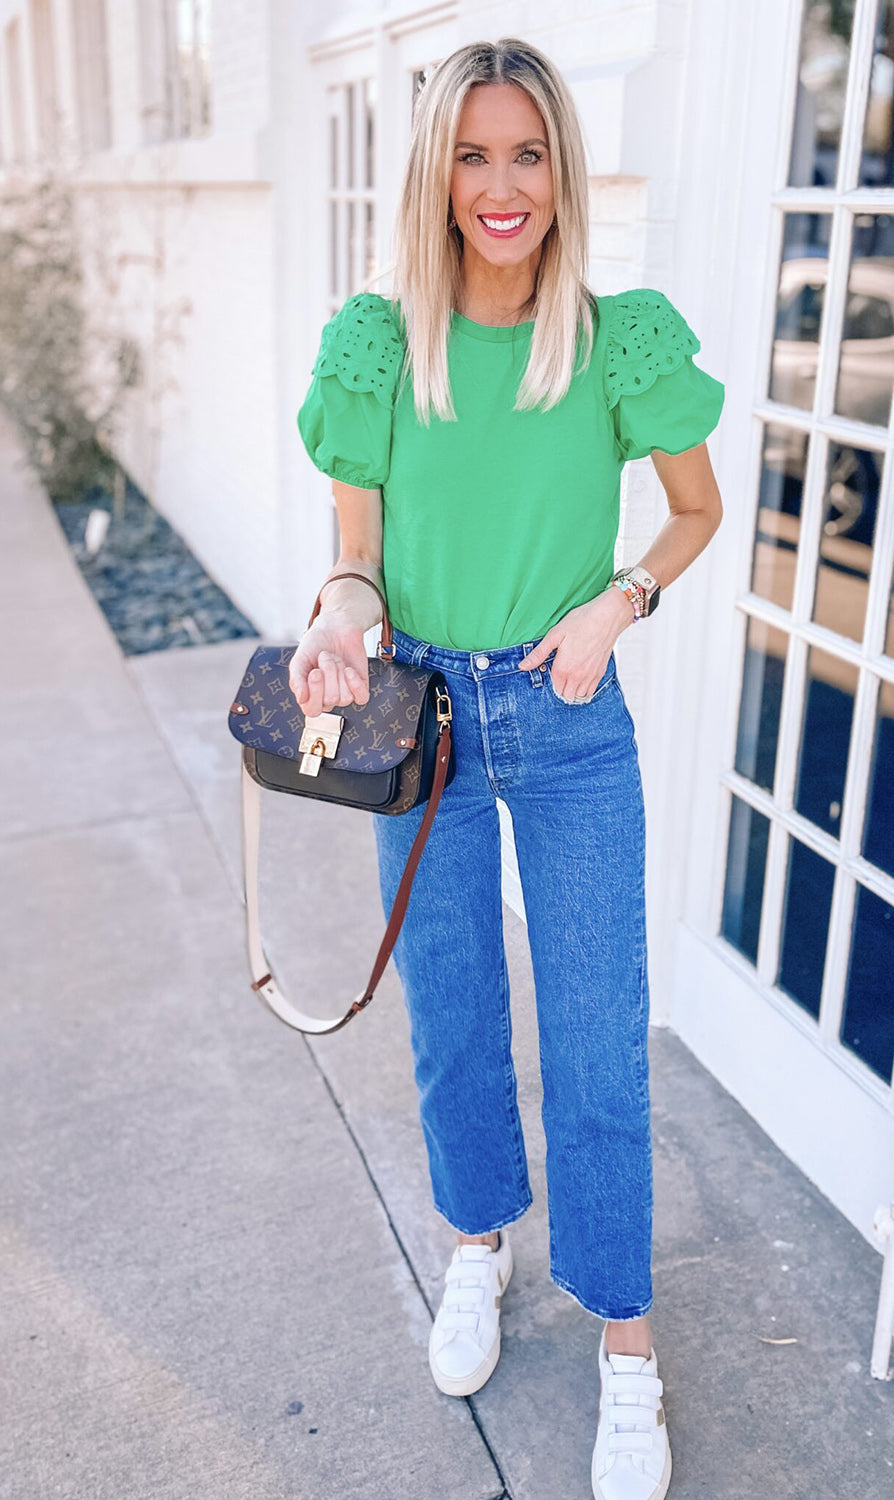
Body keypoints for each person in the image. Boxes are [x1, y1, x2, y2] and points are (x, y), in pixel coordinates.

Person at [290, 36, 724, 1500]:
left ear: (559, 171)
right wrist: (337, 629)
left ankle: (624, 1344)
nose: (499, 186)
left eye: (525, 154)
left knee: (600, 1044)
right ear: (434, 172)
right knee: (453, 1025)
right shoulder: (377, 341)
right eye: (471, 155)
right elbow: (353, 561)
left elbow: (692, 511)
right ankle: (477, 1248)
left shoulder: (616, 337)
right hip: (424, 725)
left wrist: (622, 598)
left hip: (569, 720)